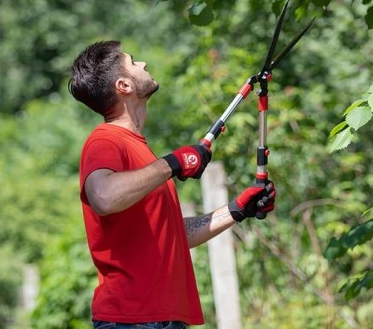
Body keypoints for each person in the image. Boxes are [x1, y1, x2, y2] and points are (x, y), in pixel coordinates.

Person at [68, 40, 276, 329]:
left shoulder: (140, 151)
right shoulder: (106, 140)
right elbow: (103, 196)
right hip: (131, 320)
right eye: (133, 62)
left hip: (161, 319)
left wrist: (237, 210)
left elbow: (173, 234)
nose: (142, 64)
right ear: (124, 85)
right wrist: (173, 163)